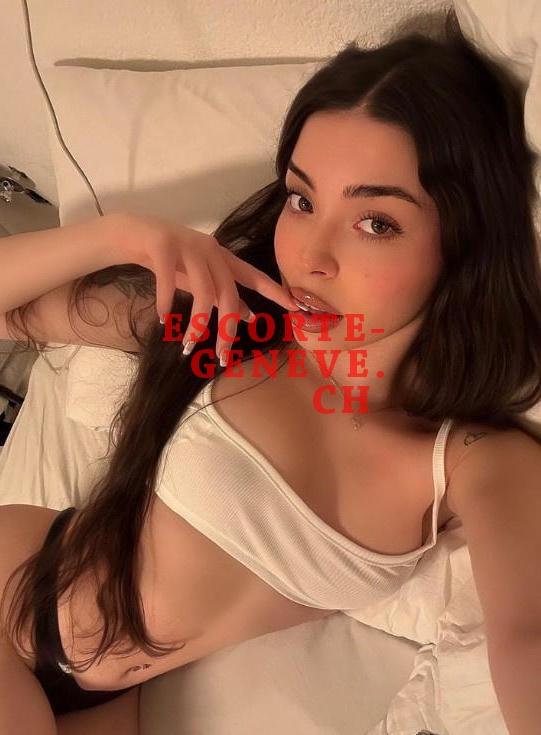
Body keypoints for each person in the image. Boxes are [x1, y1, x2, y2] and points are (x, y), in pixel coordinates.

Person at [1, 8, 541, 734]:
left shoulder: (475, 462)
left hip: (110, 697)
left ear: (463, 242)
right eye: (301, 199)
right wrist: (121, 234)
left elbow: (527, 637)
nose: (309, 255)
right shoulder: (225, 326)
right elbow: (13, 314)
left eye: (375, 222)